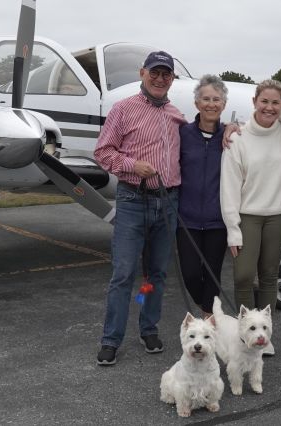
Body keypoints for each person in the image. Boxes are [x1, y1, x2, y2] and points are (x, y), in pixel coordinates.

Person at [93, 51, 186, 366]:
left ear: (172, 78)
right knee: (123, 274)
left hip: (168, 203)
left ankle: (148, 327)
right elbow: (103, 152)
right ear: (143, 73)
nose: (160, 79)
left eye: (166, 74)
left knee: (155, 274)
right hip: (134, 200)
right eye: (155, 73)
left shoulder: (176, 115)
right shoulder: (123, 109)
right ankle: (111, 339)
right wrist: (133, 165)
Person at [220, 79, 281, 315]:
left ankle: (264, 335)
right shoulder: (238, 137)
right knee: (243, 276)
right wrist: (232, 228)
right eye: (264, 101)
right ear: (254, 102)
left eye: (275, 102)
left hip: (277, 217)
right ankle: (245, 333)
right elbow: (229, 186)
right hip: (247, 216)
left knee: (269, 276)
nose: (269, 107)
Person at [177, 75, 229, 318]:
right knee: (189, 273)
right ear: (197, 104)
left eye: (216, 99)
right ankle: (206, 306)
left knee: (212, 273)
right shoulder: (183, 134)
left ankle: (209, 318)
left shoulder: (230, 137)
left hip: (218, 220)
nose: (211, 104)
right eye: (206, 99)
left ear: (224, 104)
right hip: (187, 220)